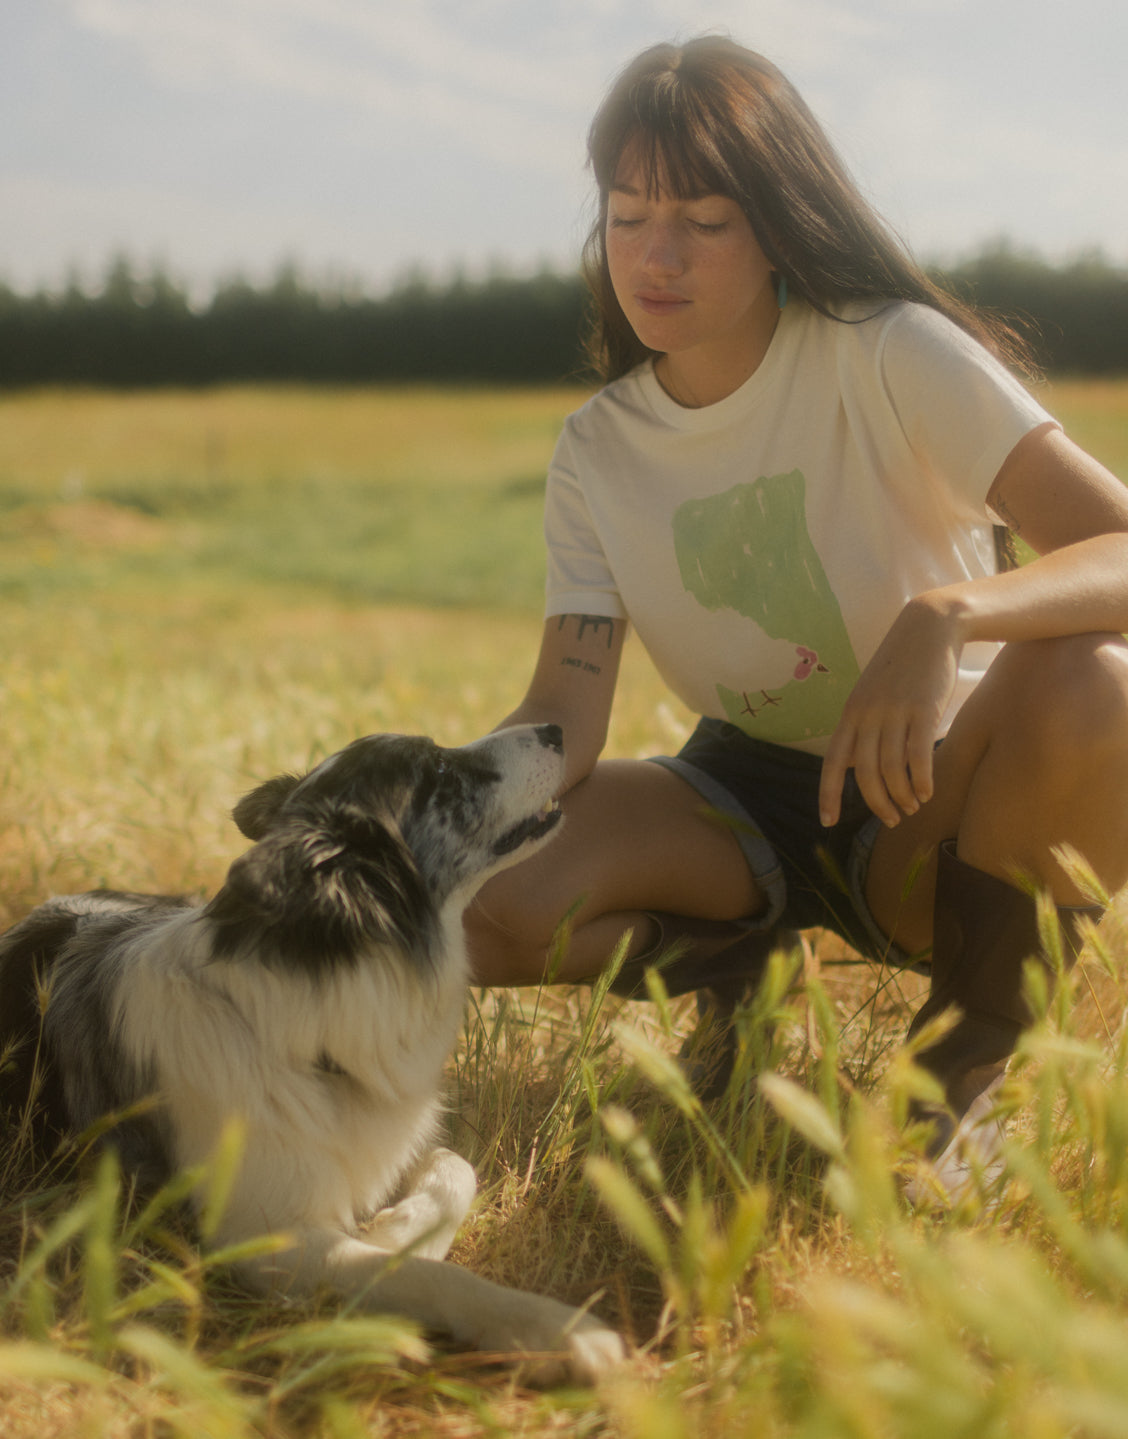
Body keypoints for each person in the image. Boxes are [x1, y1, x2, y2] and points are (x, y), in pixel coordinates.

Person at [463, 35, 1128, 1202]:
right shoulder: (596, 451)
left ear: (776, 221)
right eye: (627, 216)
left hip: (945, 800)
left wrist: (950, 612)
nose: (655, 257)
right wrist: (413, 811)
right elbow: (562, 717)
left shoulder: (890, 354)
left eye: (703, 220)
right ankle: (751, 979)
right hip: (743, 795)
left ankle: (971, 1058)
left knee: (1100, 676)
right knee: (479, 908)